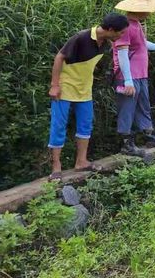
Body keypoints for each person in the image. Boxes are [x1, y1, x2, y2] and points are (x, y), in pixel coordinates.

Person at [47, 13, 129, 181]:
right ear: (111, 30)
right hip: (65, 86)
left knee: (85, 124)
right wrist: (55, 85)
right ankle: (56, 166)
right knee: (58, 125)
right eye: (120, 33)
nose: (122, 36)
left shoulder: (105, 43)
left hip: (84, 89)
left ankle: (81, 161)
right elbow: (59, 57)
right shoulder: (81, 37)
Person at [113, 0, 155, 156]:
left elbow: (141, 43)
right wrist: (128, 80)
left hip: (140, 74)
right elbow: (122, 52)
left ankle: (148, 135)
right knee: (127, 108)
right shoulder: (124, 26)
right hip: (128, 76)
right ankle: (126, 143)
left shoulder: (136, 24)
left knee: (143, 106)